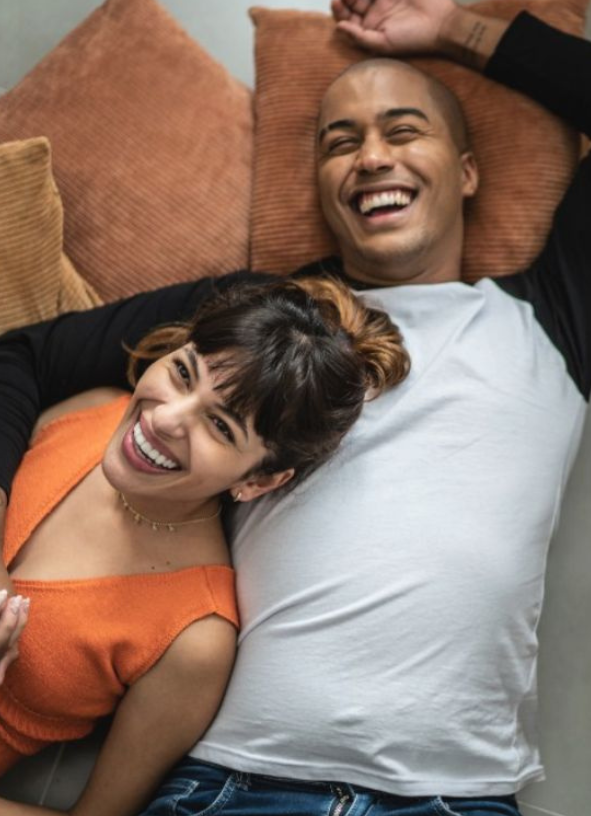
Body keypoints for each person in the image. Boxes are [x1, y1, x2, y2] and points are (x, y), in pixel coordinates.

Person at [0, 0, 591, 813]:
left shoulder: (549, 316)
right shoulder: (260, 318)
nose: (369, 157)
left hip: (453, 794)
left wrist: (450, 31)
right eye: (340, 142)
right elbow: (25, 355)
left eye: (402, 131)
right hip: (233, 782)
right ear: (323, 189)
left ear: (467, 172)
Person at [0, 277, 409, 815]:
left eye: (219, 425)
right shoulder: (88, 411)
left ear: (259, 481)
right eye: (182, 372)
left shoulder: (194, 638)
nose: (164, 417)